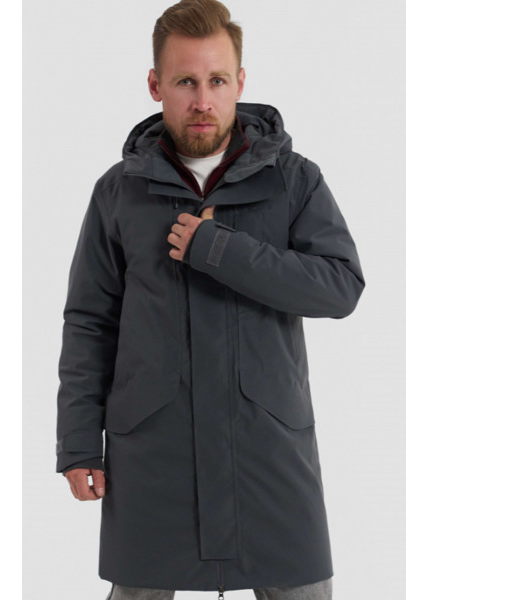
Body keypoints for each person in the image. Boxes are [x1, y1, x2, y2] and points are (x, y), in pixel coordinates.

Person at [55, 1, 365, 599]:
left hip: (268, 453)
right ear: (155, 85)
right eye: (185, 82)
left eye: (217, 80)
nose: (203, 100)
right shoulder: (119, 192)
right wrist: (78, 443)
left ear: (240, 82)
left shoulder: (294, 180)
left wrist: (221, 250)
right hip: (152, 454)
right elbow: (90, 322)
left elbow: (340, 286)